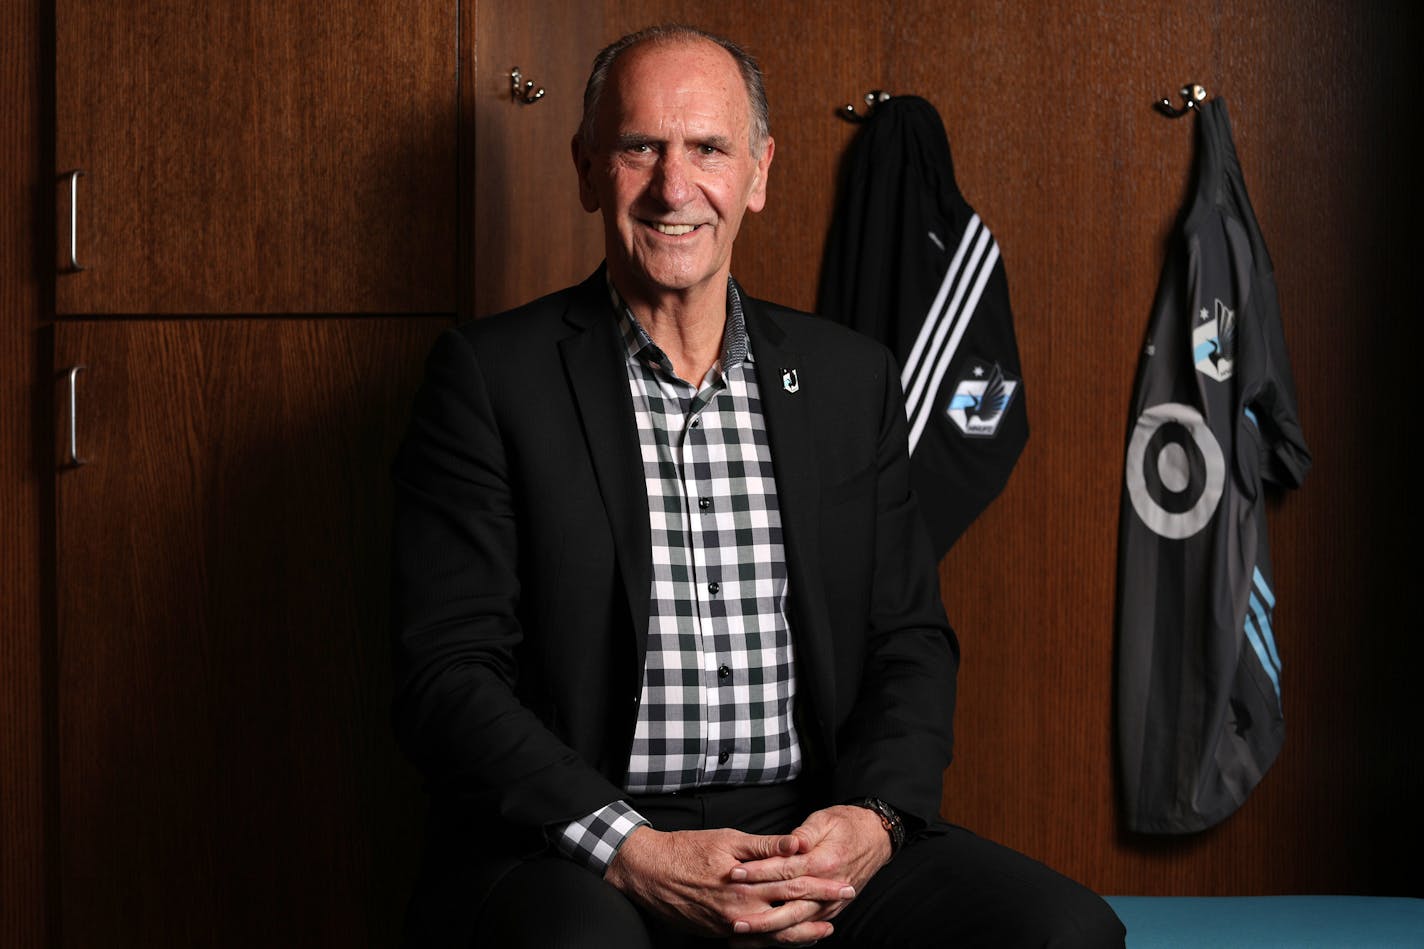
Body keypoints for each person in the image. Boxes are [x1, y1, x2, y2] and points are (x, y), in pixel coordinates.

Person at [392, 24, 1124, 948]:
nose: (674, 187)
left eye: (708, 149)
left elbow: (909, 639)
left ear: (760, 172)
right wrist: (634, 848)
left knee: (1065, 932)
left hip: (805, 826)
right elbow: (448, 674)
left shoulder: (850, 378)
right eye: (639, 148)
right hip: (580, 842)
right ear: (586, 170)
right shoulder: (491, 379)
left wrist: (871, 821)